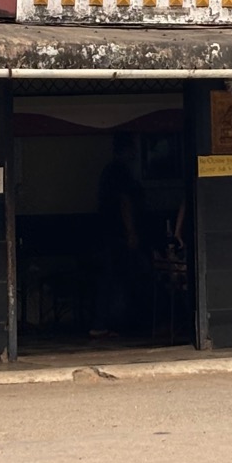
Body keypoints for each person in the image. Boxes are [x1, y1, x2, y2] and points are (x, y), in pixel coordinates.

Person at [90, 133, 147, 338]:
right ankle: (109, 323)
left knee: (111, 278)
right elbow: (125, 203)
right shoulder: (120, 172)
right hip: (117, 234)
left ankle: (106, 322)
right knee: (116, 278)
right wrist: (131, 232)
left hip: (107, 231)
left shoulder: (110, 172)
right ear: (127, 149)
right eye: (133, 148)